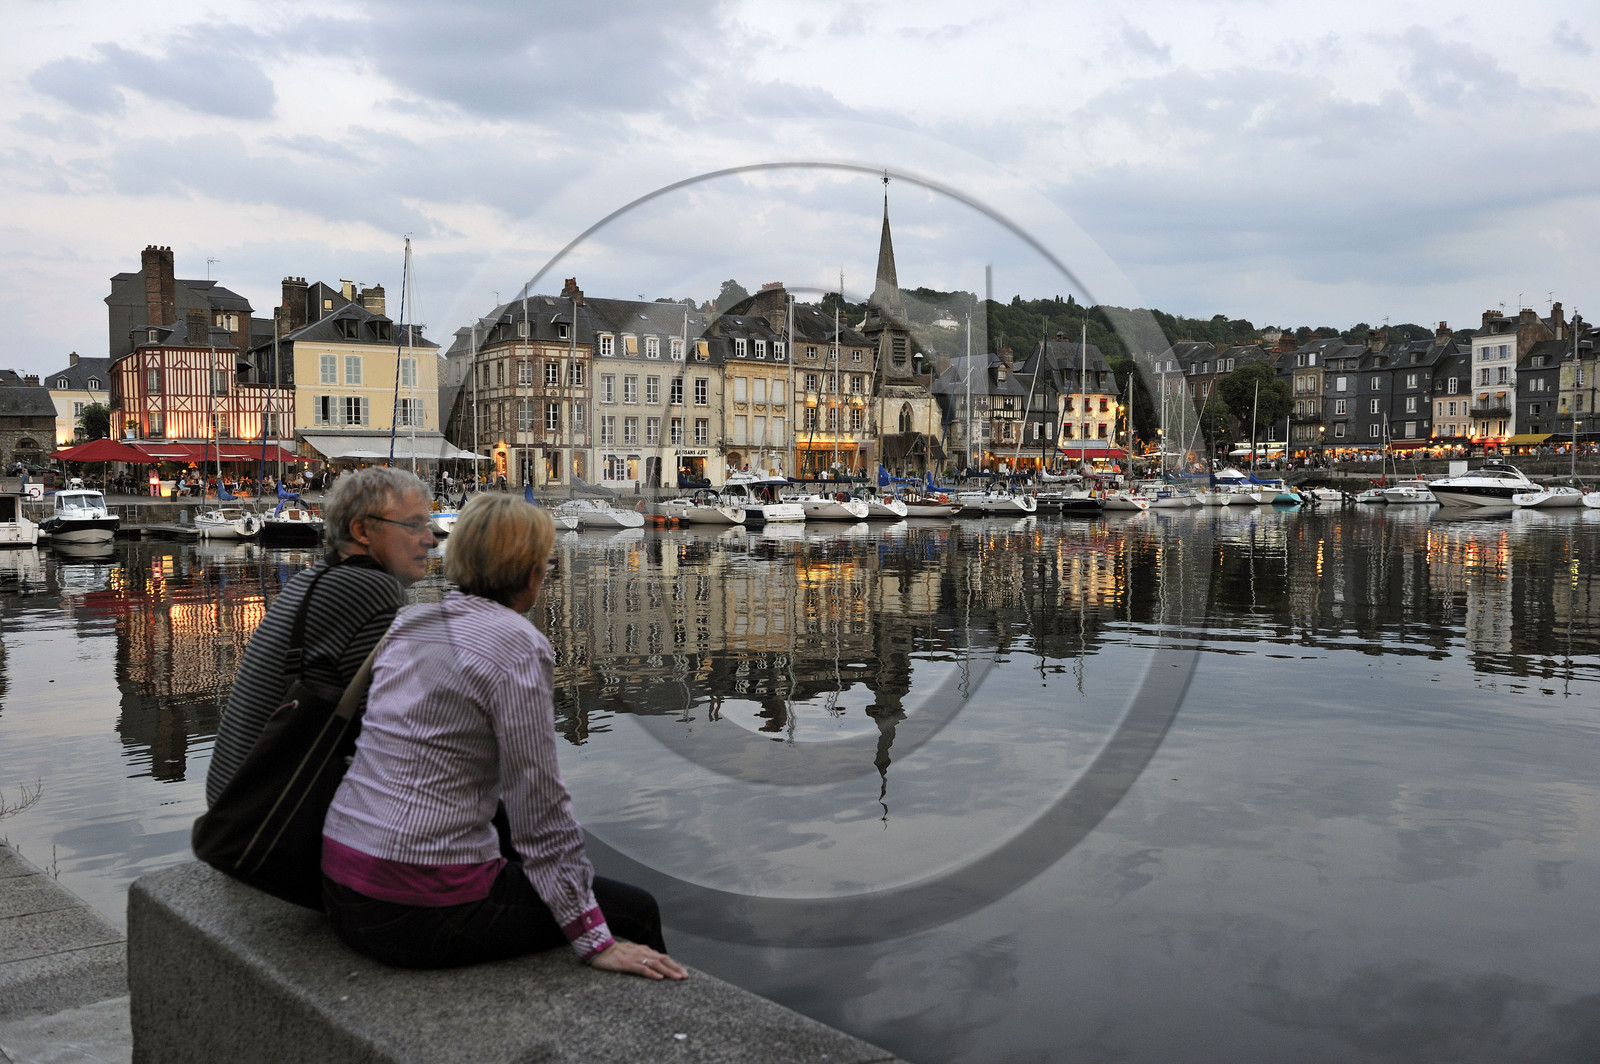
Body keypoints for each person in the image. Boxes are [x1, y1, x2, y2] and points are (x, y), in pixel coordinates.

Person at [320, 494, 687, 980]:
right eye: (548, 564)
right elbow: (537, 800)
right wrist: (592, 936)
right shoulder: (517, 643)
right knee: (634, 911)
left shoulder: (410, 623)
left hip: (340, 881)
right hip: (414, 908)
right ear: (531, 571)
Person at [205, 466, 437, 807]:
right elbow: (398, 729)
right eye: (415, 525)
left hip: (234, 804)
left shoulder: (315, 578)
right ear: (362, 531)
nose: (431, 539)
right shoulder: (371, 588)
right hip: (273, 817)